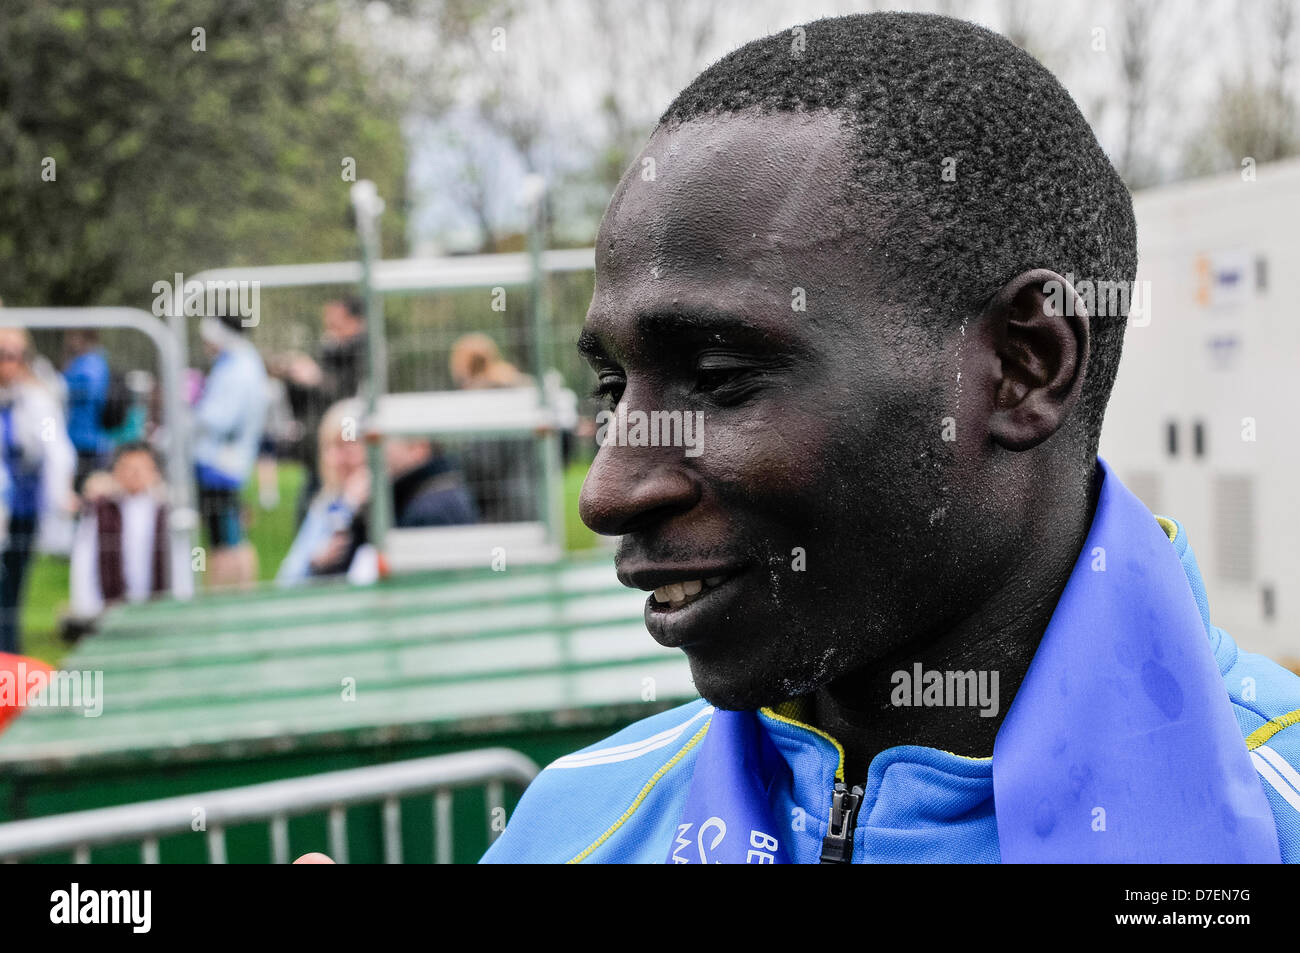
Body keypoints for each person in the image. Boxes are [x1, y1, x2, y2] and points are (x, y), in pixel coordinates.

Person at [480, 14, 1300, 863]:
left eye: (722, 376)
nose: (607, 493)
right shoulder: (571, 826)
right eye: (613, 388)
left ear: (1025, 365)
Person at [0, 327, 75, 654]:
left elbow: (54, 446)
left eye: (13, 356)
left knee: (10, 587)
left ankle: (8, 659)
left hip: (20, 508)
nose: (7, 363)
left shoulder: (35, 402)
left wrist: (62, 491)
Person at [193, 314, 267, 588]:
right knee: (227, 534)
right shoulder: (241, 363)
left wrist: (193, 412)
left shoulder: (239, 367)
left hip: (221, 465)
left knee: (225, 539)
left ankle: (225, 593)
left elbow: (221, 417)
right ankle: (235, 591)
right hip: (225, 462)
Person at [279, 296, 368, 523]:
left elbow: (349, 401)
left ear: (356, 322)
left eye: (335, 324)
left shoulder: (366, 354)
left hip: (347, 438)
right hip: (321, 446)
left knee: (327, 512)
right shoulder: (330, 351)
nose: (329, 331)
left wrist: (317, 380)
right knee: (312, 511)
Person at [67, 442, 174, 625]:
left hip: (159, 607)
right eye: (128, 468)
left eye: (141, 468)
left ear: (155, 472)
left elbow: (193, 556)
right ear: (115, 471)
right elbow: (83, 558)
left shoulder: (167, 511)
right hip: (111, 609)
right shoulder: (100, 511)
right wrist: (85, 606)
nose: (134, 474)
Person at [61, 329, 112, 490]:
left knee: (86, 489)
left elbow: (90, 391)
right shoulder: (80, 361)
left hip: (88, 440)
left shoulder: (92, 363)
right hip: (76, 437)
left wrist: (61, 387)